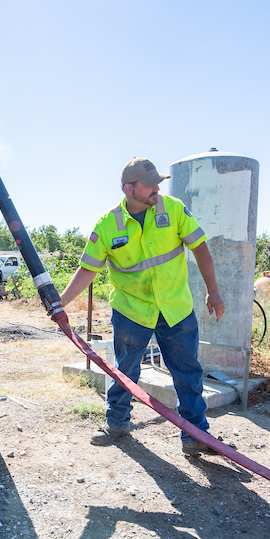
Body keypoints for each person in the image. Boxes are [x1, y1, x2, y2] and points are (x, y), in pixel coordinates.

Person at [59, 157, 225, 456]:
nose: (156, 190)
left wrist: (214, 292)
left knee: (187, 372)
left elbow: (200, 247)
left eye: (158, 184)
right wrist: (60, 304)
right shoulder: (108, 224)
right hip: (132, 310)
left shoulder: (173, 209)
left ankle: (196, 435)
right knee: (125, 370)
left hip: (175, 308)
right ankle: (117, 424)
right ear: (128, 188)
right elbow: (87, 269)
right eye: (149, 185)